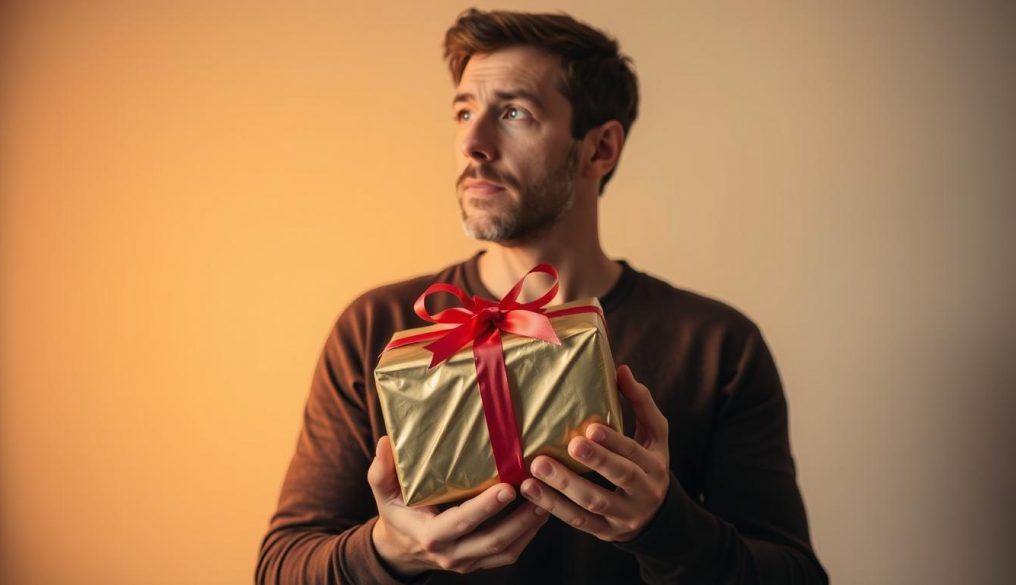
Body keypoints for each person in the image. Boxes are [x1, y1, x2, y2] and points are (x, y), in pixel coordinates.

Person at [256, 8, 828, 584]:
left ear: (599, 149)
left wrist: (663, 525)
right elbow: (279, 568)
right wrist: (387, 552)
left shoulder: (716, 346)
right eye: (463, 111)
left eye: (513, 113)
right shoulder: (377, 328)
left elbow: (797, 576)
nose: (473, 144)